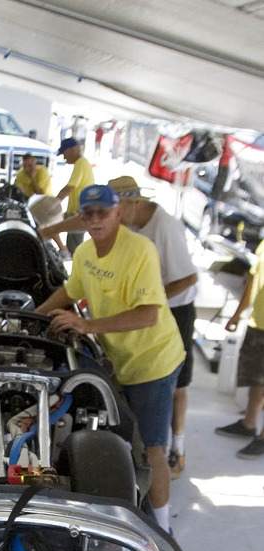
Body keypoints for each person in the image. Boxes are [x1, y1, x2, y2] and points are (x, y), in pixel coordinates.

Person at [35, 184, 185, 534]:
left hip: (152, 362)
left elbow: (149, 314)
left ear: (119, 213)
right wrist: (34, 316)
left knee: (151, 450)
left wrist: (85, 324)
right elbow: (71, 291)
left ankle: (163, 531)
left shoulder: (140, 251)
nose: (96, 219)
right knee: (123, 438)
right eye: (88, 214)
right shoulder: (86, 251)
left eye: (104, 212)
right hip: (120, 359)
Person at [108, 176, 198, 479]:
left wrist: (148, 302)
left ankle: (178, 449)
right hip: (146, 308)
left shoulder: (165, 227)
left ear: (134, 203)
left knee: (177, 385)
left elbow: (188, 279)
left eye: (117, 209)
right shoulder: (129, 224)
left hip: (176, 308)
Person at [215, 238, 264, 458]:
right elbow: (254, 281)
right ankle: (249, 423)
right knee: (256, 379)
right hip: (258, 322)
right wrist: (237, 314)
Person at [55, 137, 94, 255]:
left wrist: (52, 204)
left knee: (75, 249)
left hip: (79, 214)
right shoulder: (82, 163)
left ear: (73, 150)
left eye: (64, 153)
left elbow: (69, 188)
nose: (64, 157)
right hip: (76, 212)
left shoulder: (81, 163)